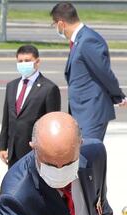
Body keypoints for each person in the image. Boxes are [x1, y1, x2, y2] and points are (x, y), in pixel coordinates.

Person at [51, 2, 125, 140]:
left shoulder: (88, 40)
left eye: (54, 24)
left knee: (90, 155)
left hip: (92, 112)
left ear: (61, 23)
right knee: (83, 156)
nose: (56, 28)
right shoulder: (80, 39)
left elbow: (104, 72)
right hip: (83, 112)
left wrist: (118, 95)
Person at [0, 45, 61, 168]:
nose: (23, 64)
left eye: (27, 61)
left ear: (37, 62)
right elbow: (7, 119)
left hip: (34, 152)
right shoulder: (12, 86)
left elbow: (51, 124)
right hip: (13, 151)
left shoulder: (48, 88)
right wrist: (2, 146)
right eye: (20, 61)